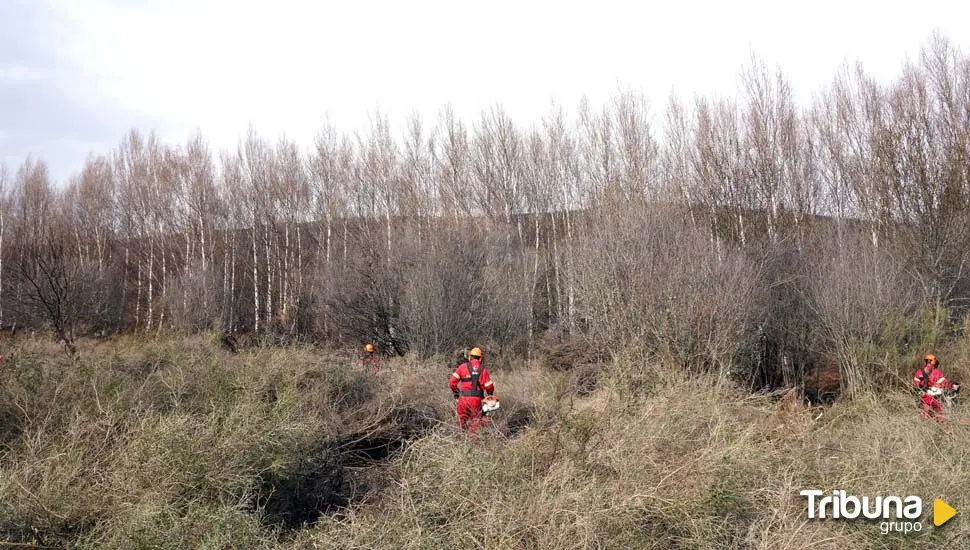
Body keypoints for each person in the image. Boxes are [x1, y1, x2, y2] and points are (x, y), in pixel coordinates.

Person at [449, 346, 495, 435]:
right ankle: (474, 445)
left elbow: (452, 382)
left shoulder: (462, 367)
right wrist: (490, 395)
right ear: (480, 358)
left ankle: (459, 441)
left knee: (461, 423)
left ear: (470, 357)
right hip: (477, 400)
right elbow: (489, 386)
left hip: (463, 399)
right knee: (476, 424)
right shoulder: (483, 369)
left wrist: (456, 393)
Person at [914, 354, 958, 420]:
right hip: (931, 395)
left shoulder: (919, 371)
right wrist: (953, 386)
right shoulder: (936, 372)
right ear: (934, 362)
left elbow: (915, 384)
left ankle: (926, 419)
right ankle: (939, 420)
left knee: (926, 410)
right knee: (938, 410)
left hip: (924, 395)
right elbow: (944, 383)